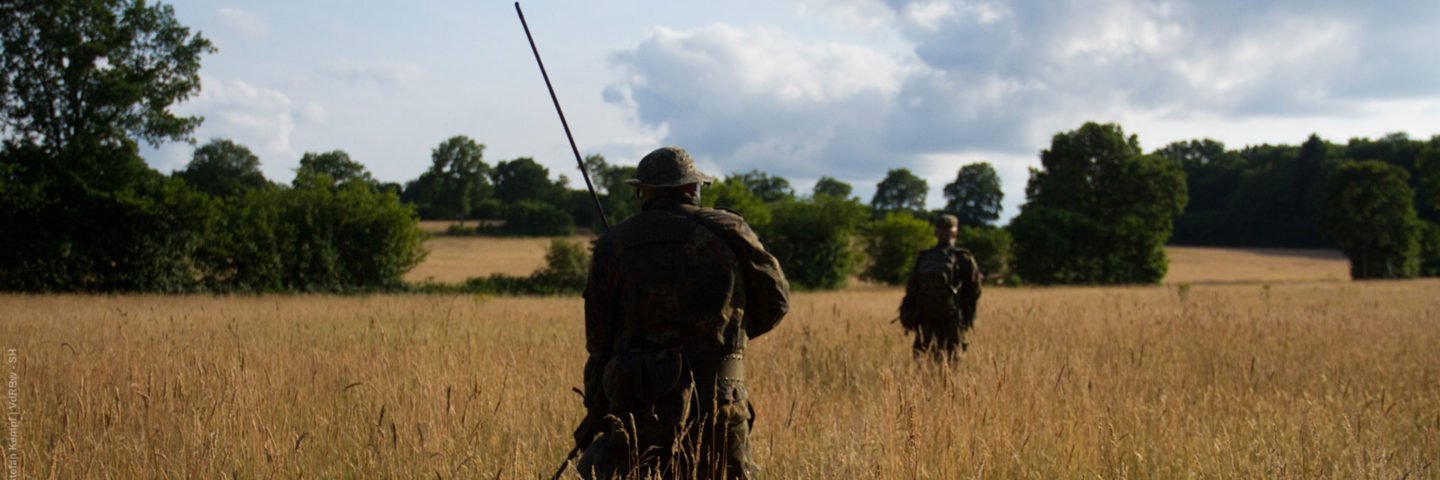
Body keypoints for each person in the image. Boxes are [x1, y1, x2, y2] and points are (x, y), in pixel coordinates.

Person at [572, 146, 790, 479]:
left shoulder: (613, 242)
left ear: (643, 191)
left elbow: (598, 340)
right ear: (692, 188)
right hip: (716, 394)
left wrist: (597, 408)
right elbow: (775, 301)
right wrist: (726, 339)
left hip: (635, 395)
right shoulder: (728, 231)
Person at [898, 214, 982, 362]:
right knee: (952, 361)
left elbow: (911, 289)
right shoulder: (963, 257)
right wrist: (966, 315)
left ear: (935, 233)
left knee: (924, 360)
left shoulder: (924, 257)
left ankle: (924, 385)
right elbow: (974, 290)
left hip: (925, 318)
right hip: (952, 318)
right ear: (955, 232)